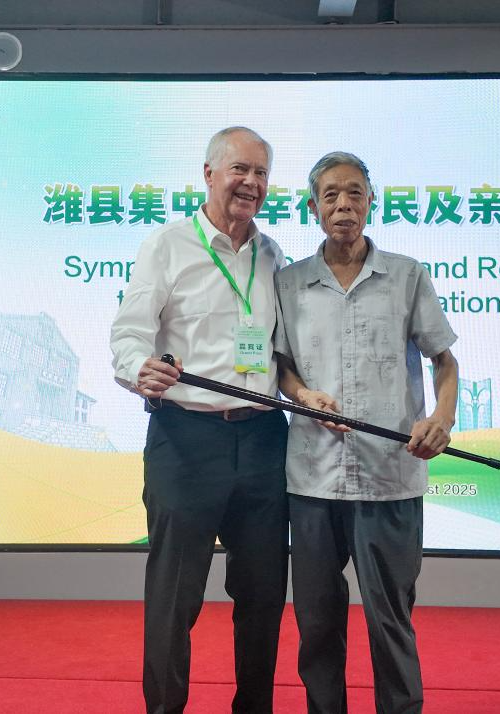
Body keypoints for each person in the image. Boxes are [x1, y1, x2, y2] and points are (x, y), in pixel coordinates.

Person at [110, 127, 289, 714]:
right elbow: (129, 333)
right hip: (186, 438)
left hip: (263, 440)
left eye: (261, 173)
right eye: (240, 169)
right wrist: (140, 369)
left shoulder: (273, 256)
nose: (251, 183)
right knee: (175, 594)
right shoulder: (167, 245)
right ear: (209, 174)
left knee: (263, 594)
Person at [275, 151, 459, 714]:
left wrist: (441, 419)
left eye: (354, 193)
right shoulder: (289, 283)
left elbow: (444, 361)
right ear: (312, 207)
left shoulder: (406, 276)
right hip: (313, 480)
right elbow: (281, 369)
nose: (343, 205)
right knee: (317, 622)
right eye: (330, 195)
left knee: (390, 620)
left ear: (372, 202)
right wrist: (303, 394)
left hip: (390, 478)